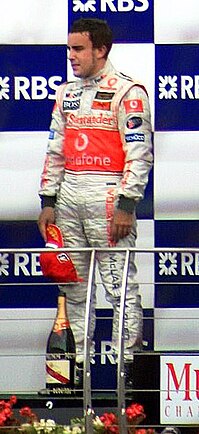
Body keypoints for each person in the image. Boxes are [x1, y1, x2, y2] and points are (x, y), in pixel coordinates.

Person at [38, 18, 153, 390]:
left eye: (78, 49)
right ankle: (77, 385)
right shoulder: (66, 93)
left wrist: (127, 203)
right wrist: (48, 199)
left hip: (108, 197)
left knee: (119, 289)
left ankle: (128, 385)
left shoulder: (128, 92)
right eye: (69, 49)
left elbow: (139, 153)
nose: (71, 56)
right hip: (69, 196)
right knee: (73, 291)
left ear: (100, 49)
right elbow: (56, 149)